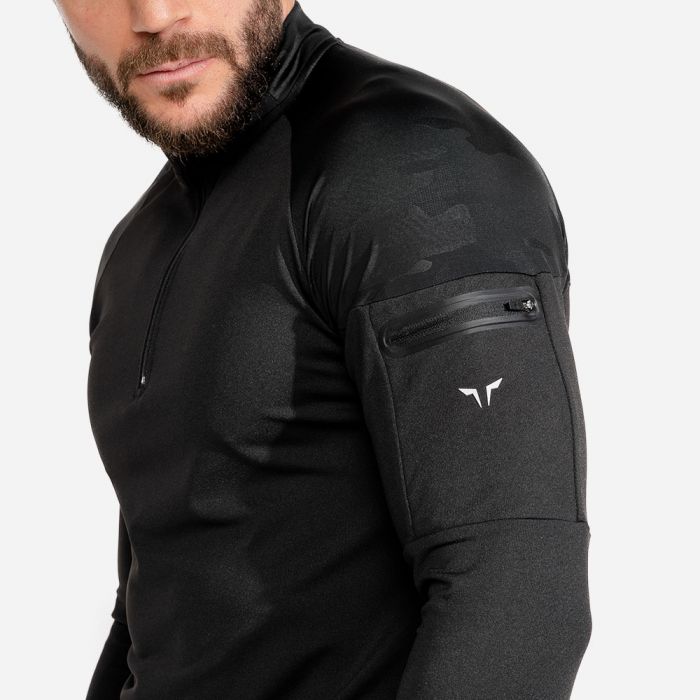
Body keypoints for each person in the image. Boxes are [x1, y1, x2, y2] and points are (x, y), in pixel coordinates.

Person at [53, 0, 592, 697]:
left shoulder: (415, 168)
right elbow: (152, 610)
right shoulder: (138, 246)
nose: (154, 14)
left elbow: (517, 595)